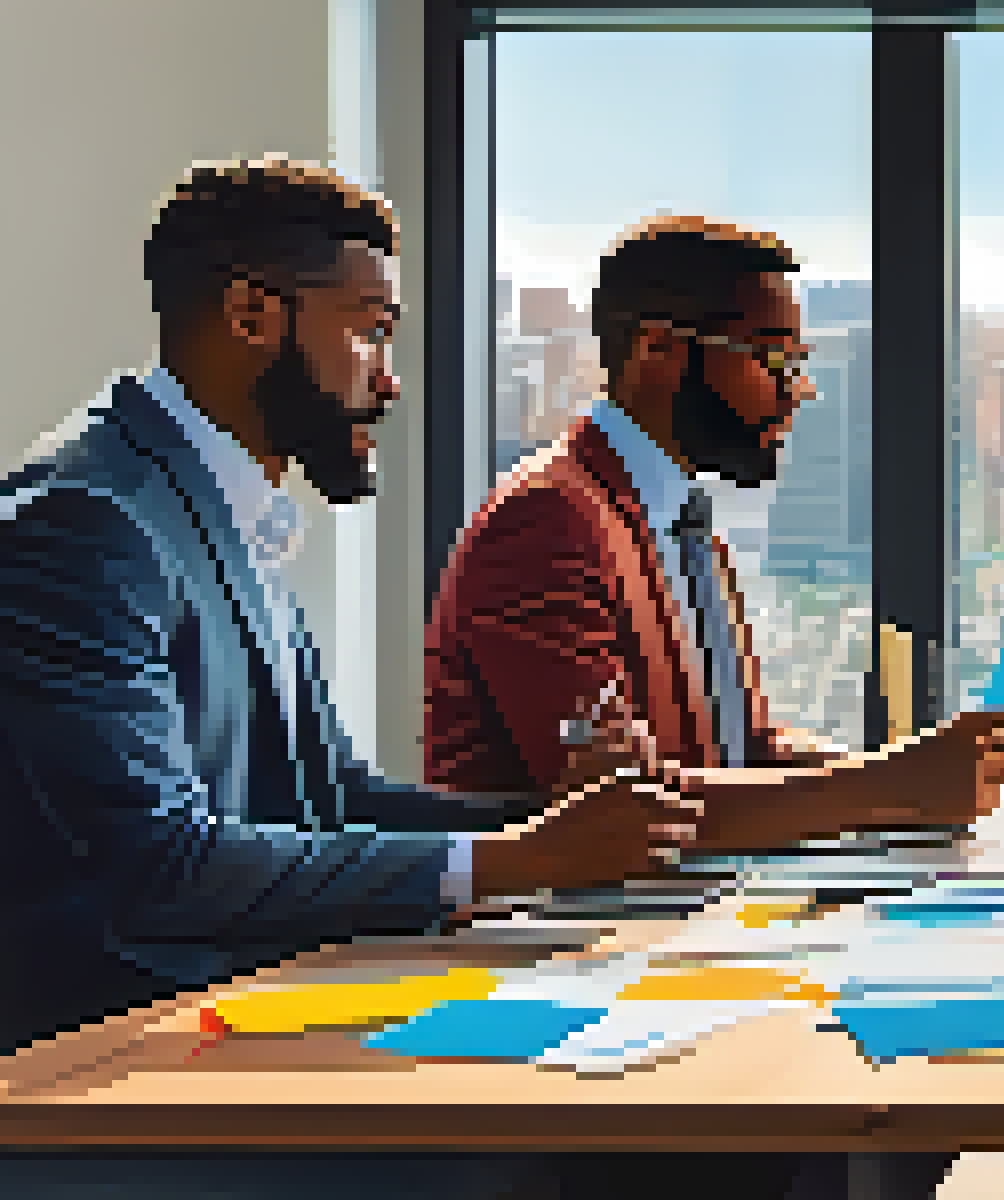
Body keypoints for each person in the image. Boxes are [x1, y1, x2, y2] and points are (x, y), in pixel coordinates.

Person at [0, 157, 692, 1197]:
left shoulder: (225, 509)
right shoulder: (89, 525)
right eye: (370, 328)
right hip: (105, 1067)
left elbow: (336, 803)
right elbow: (158, 864)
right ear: (249, 314)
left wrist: (560, 821)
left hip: (233, 1016)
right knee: (554, 1148)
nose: (391, 375)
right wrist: (513, 861)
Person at [425, 213, 1004, 1200]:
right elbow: (626, 810)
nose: (801, 390)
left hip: (687, 938)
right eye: (774, 359)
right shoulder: (550, 523)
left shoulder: (679, 519)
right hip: (578, 971)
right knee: (883, 1107)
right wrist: (890, 787)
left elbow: (738, 746)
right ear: (659, 351)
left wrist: (915, 778)